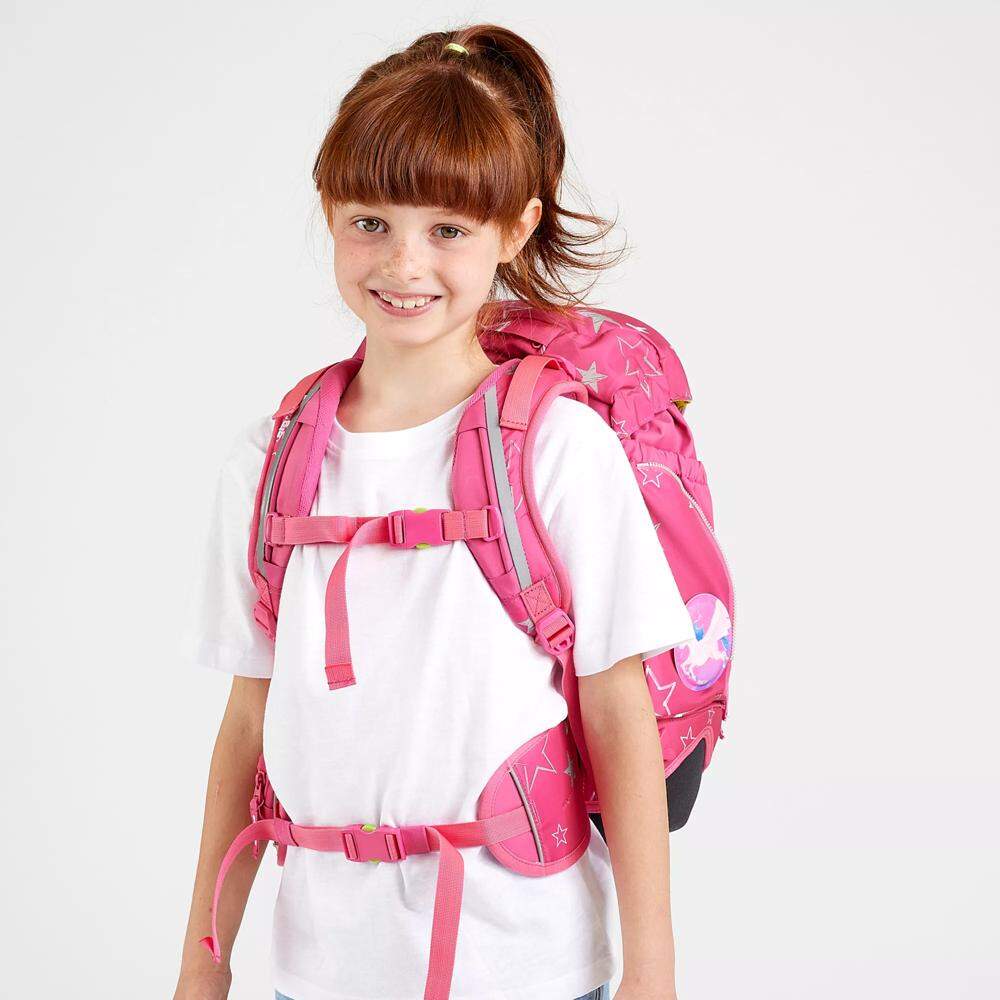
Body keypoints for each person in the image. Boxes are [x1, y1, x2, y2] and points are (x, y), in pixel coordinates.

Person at [174, 23, 695, 1000]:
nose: (404, 263)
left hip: (526, 966)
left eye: (448, 229)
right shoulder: (271, 460)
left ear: (517, 229)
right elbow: (247, 724)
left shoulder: (557, 446)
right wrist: (203, 966)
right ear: (329, 212)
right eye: (370, 221)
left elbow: (618, 710)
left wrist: (652, 973)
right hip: (316, 971)